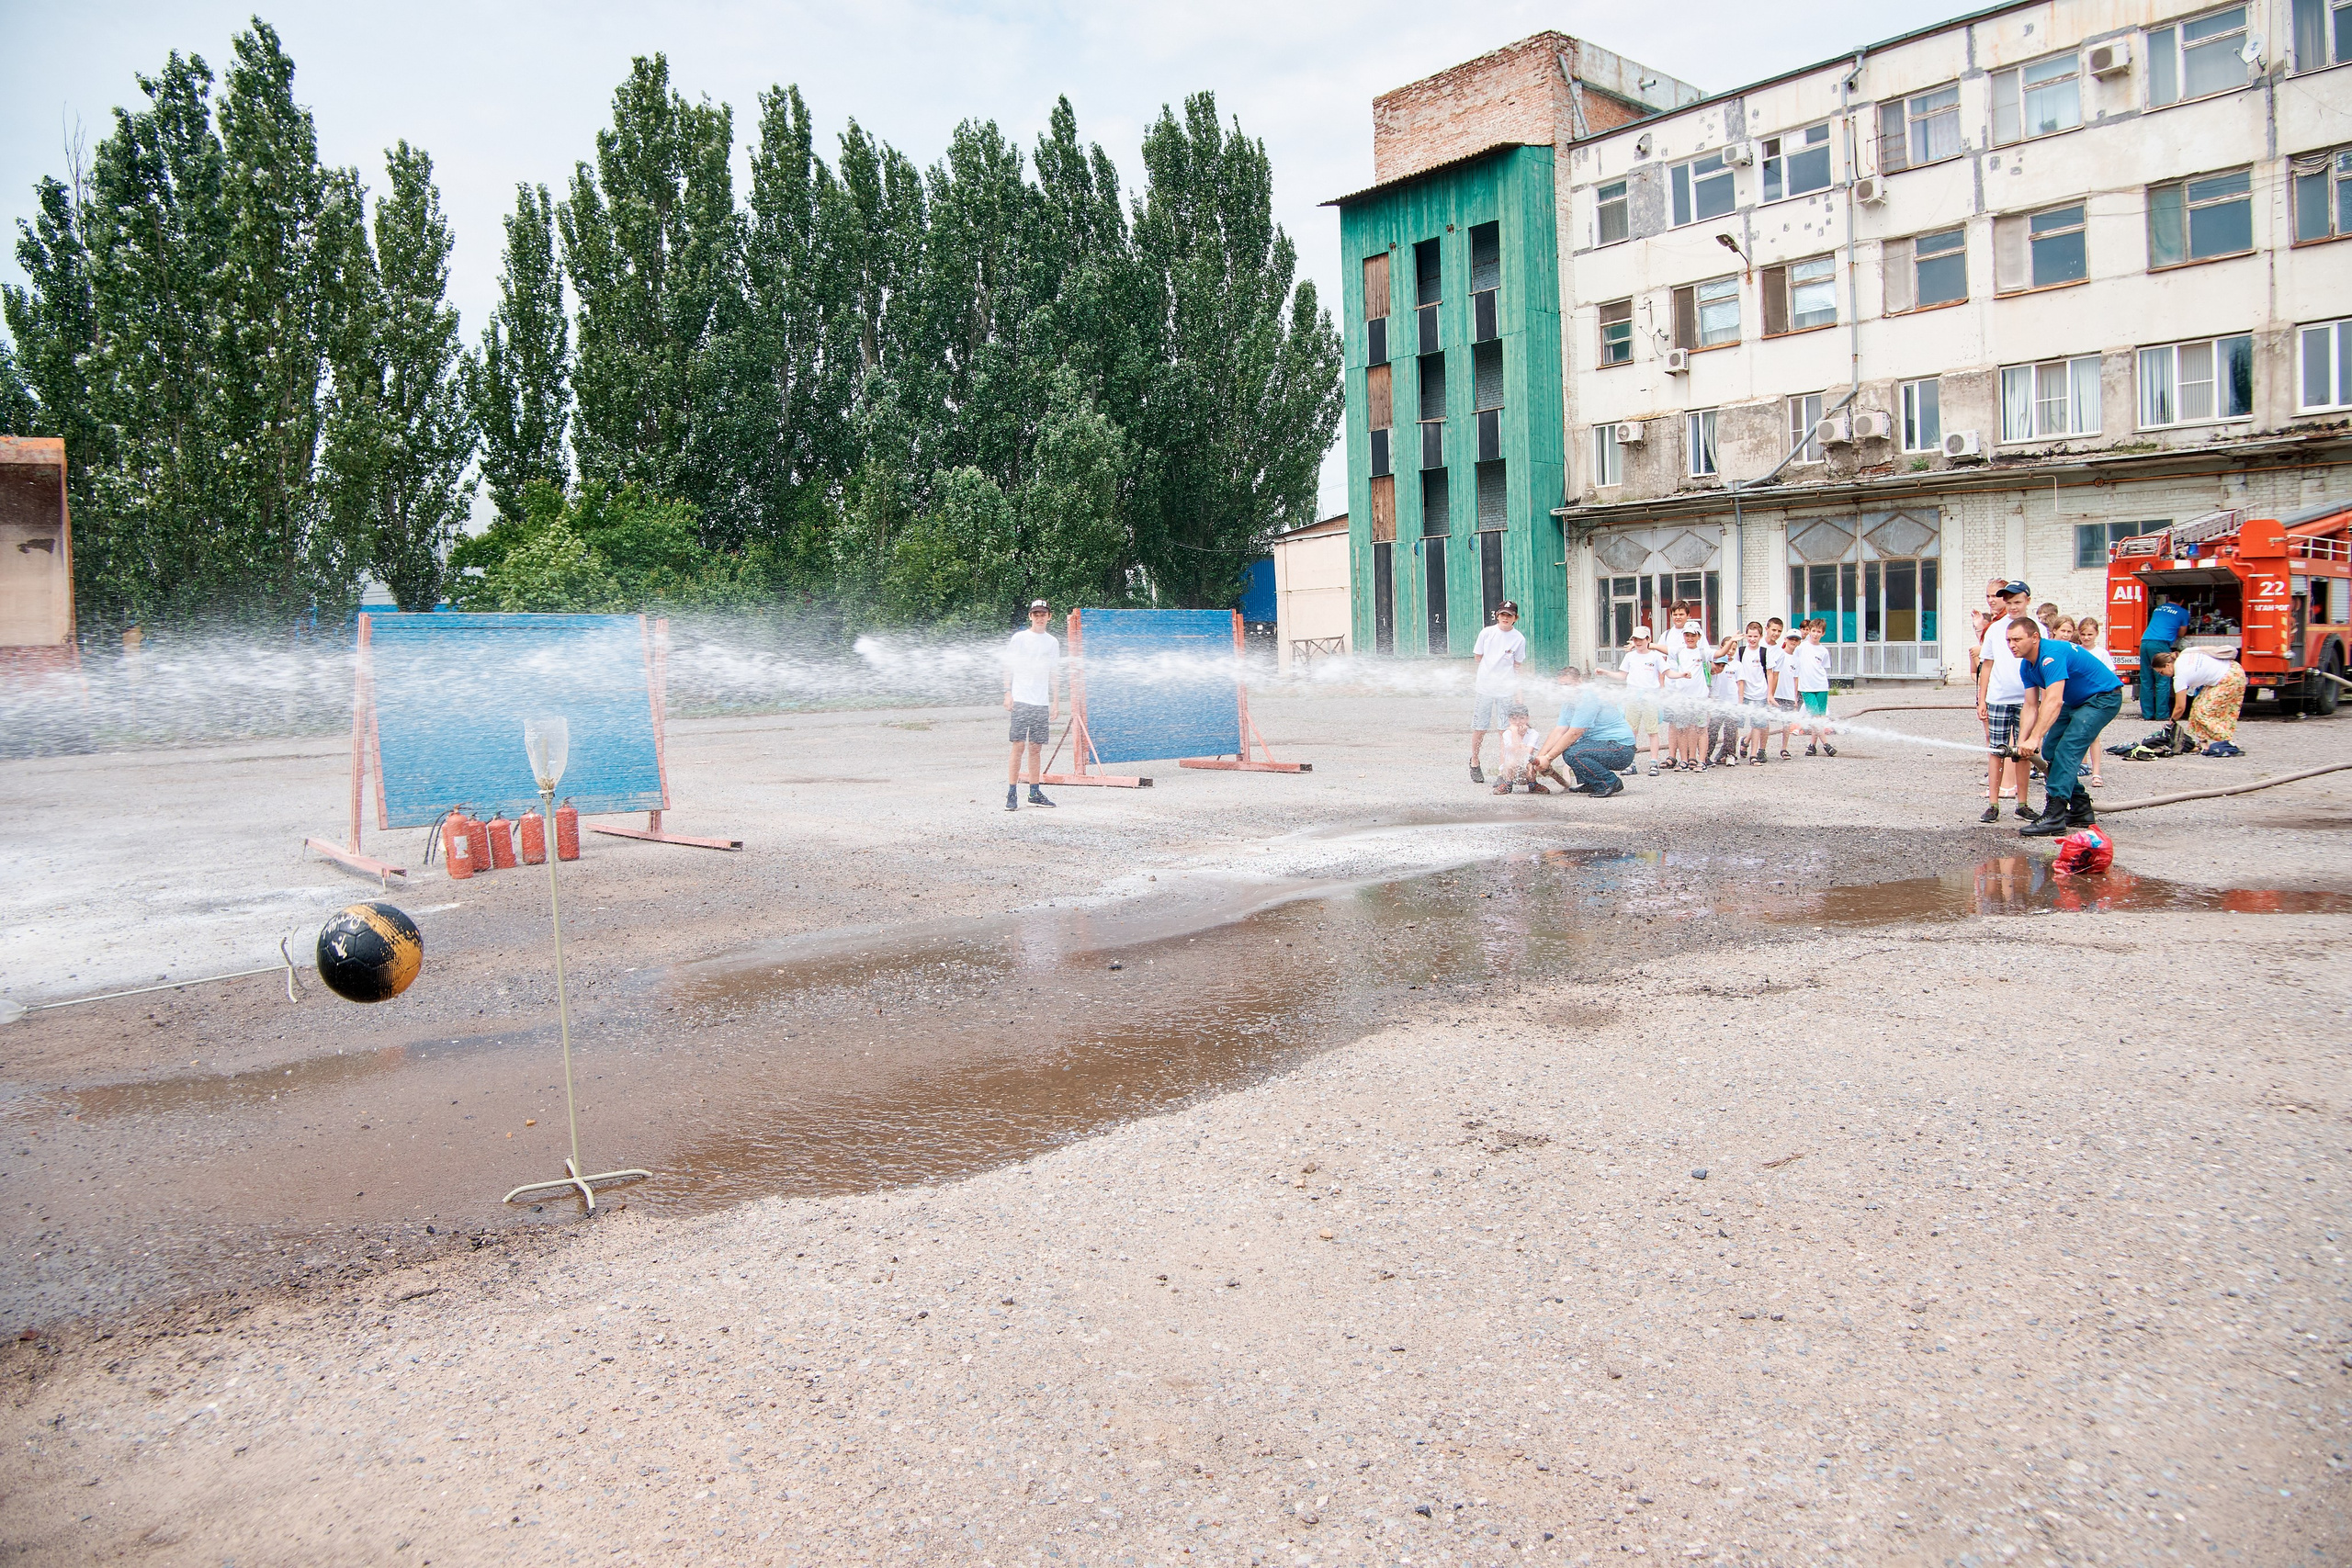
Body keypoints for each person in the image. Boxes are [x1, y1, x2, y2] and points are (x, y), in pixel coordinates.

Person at [2011, 614, 2124, 835]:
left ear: (2035, 637)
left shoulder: (2051, 655)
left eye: (2017, 640)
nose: (2012, 645)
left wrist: (2034, 738)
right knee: (2051, 749)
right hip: (2078, 701)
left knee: (2067, 750)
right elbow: (2031, 706)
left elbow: (2053, 700)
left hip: (2103, 698)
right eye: (2009, 641)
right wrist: (2023, 742)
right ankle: (2081, 808)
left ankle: (2054, 816)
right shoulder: (2027, 666)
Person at [1976, 581, 2034, 821]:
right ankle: (1993, 804)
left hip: (2027, 699)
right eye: (2008, 602)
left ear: (2027, 601)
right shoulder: (1995, 630)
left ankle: (2022, 803)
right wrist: (1982, 700)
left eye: (2017, 602)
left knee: (2023, 752)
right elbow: (1986, 666)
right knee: (1996, 751)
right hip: (1998, 698)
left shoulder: (2037, 628)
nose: (2012, 607)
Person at [1533, 665, 1635, 797]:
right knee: (1572, 748)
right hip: (1607, 746)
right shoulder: (1569, 701)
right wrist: (1539, 758)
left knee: (1573, 752)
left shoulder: (1587, 698)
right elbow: (1559, 731)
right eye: (1561, 686)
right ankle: (1592, 783)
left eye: (1568, 685)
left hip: (1621, 750)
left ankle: (1609, 782)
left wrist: (1548, 758)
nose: (1565, 689)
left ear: (1580, 681)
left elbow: (1574, 733)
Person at [1003, 599, 1061, 809]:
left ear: (1049, 617)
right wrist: (1007, 692)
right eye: (1035, 614)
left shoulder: (1052, 642)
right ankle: (1011, 793)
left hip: (1040, 703)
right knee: (1018, 746)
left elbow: (1055, 673)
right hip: (1021, 700)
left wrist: (1055, 702)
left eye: (1043, 614)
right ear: (1030, 616)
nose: (1039, 617)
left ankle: (1034, 792)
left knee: (1036, 748)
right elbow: (1008, 667)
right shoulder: (1019, 638)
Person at [1467, 600, 1527, 784]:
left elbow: (1517, 666)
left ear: (1515, 618)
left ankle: (1502, 772)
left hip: (1506, 690)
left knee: (1505, 731)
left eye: (1509, 615)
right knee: (1480, 727)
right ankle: (1475, 761)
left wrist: (1519, 694)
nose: (1505, 618)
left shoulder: (1519, 639)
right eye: (1502, 614)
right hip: (1485, 688)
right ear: (1497, 616)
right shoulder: (1487, 633)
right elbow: (1478, 657)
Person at [2151, 645, 2248, 756]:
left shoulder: (2180, 676)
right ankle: (2203, 743)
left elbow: (2180, 707)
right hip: (2233, 668)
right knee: (2196, 706)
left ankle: (2228, 742)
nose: (2163, 675)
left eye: (2161, 672)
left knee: (2203, 712)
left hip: (2229, 678)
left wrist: (2170, 723)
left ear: (2168, 665)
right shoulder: (2186, 653)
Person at [1619, 626, 1668, 775]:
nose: (1638, 642)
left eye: (1641, 639)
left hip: (1650, 697)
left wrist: (1681, 675)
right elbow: (1622, 675)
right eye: (1635, 639)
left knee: (1652, 731)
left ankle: (1654, 762)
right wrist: (1604, 672)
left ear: (1648, 639)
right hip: (1633, 697)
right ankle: (1630, 763)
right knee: (1631, 731)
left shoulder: (1655, 656)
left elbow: (1667, 672)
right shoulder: (1630, 657)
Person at [2075, 616, 2116, 786]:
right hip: (2078, 695)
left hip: (2096, 696)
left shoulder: (2102, 653)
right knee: (2076, 733)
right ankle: (2079, 766)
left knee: (2094, 736)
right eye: (2083, 634)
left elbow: (2110, 675)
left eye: (2090, 634)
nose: (2086, 637)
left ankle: (2096, 773)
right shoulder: (2076, 650)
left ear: (2096, 634)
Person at [2138, 592, 2192, 720]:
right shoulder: (2183, 612)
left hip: (2145, 642)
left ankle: (2147, 714)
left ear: (2169, 599)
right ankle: (2161, 714)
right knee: (2162, 679)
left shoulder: (2158, 608)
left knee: (2146, 679)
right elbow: (2182, 633)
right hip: (2160, 644)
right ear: (2182, 601)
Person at [1666, 621, 1712, 770]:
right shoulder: (1679, 651)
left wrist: (1731, 641)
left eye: (1693, 635)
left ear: (1699, 636)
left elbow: (1720, 654)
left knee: (1700, 729)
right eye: (1687, 635)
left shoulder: (1704, 652)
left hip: (1700, 698)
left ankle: (1701, 760)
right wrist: (1647, 645)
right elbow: (1661, 649)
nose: (1690, 638)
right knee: (1682, 728)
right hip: (1682, 699)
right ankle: (1684, 760)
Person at [1730, 623, 1772, 763]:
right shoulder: (1741, 651)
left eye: (1755, 636)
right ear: (1746, 636)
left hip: (1760, 694)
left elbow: (1770, 674)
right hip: (1743, 694)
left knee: (1757, 725)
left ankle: (1753, 754)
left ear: (1760, 636)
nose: (1752, 639)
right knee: (1736, 723)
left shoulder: (1764, 652)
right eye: (1749, 636)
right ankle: (1731, 753)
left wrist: (1770, 694)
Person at [1792, 619, 1836, 756]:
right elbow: (1795, 666)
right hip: (1806, 687)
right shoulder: (1801, 648)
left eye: (1818, 632)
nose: (1815, 634)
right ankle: (1826, 744)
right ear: (1809, 631)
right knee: (1815, 716)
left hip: (1821, 686)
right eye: (1813, 631)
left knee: (1819, 718)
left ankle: (1812, 746)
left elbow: (1823, 668)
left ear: (1822, 633)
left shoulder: (1823, 651)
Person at [1491, 705, 1553, 794]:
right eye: (1514, 719)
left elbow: (1527, 753)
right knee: (1511, 762)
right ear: (1509, 720)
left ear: (1527, 718)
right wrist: (1515, 732)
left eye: (1521, 718)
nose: (1518, 722)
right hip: (1510, 769)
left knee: (1532, 763)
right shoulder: (1507, 734)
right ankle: (1508, 784)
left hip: (1527, 768)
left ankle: (1533, 784)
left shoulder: (1533, 733)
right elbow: (1515, 751)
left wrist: (1517, 735)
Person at [1705, 637, 1743, 766]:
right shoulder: (1713, 662)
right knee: (1712, 729)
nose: (1730, 651)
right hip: (1717, 703)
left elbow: (1741, 684)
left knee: (1731, 729)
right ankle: (1706, 754)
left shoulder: (1737, 665)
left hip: (1731, 702)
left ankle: (1730, 754)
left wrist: (1740, 703)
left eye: (1734, 649)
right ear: (1722, 647)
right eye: (1728, 648)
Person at [1768, 627, 1804, 759]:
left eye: (1796, 640)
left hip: (1788, 694)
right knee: (1764, 721)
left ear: (1799, 642)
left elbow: (1796, 680)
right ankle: (1747, 741)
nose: (1793, 642)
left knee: (1786, 723)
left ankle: (1784, 748)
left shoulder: (1797, 660)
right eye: (1791, 639)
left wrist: (1795, 698)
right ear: (1785, 640)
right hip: (1776, 693)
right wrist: (1770, 693)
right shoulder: (1778, 654)